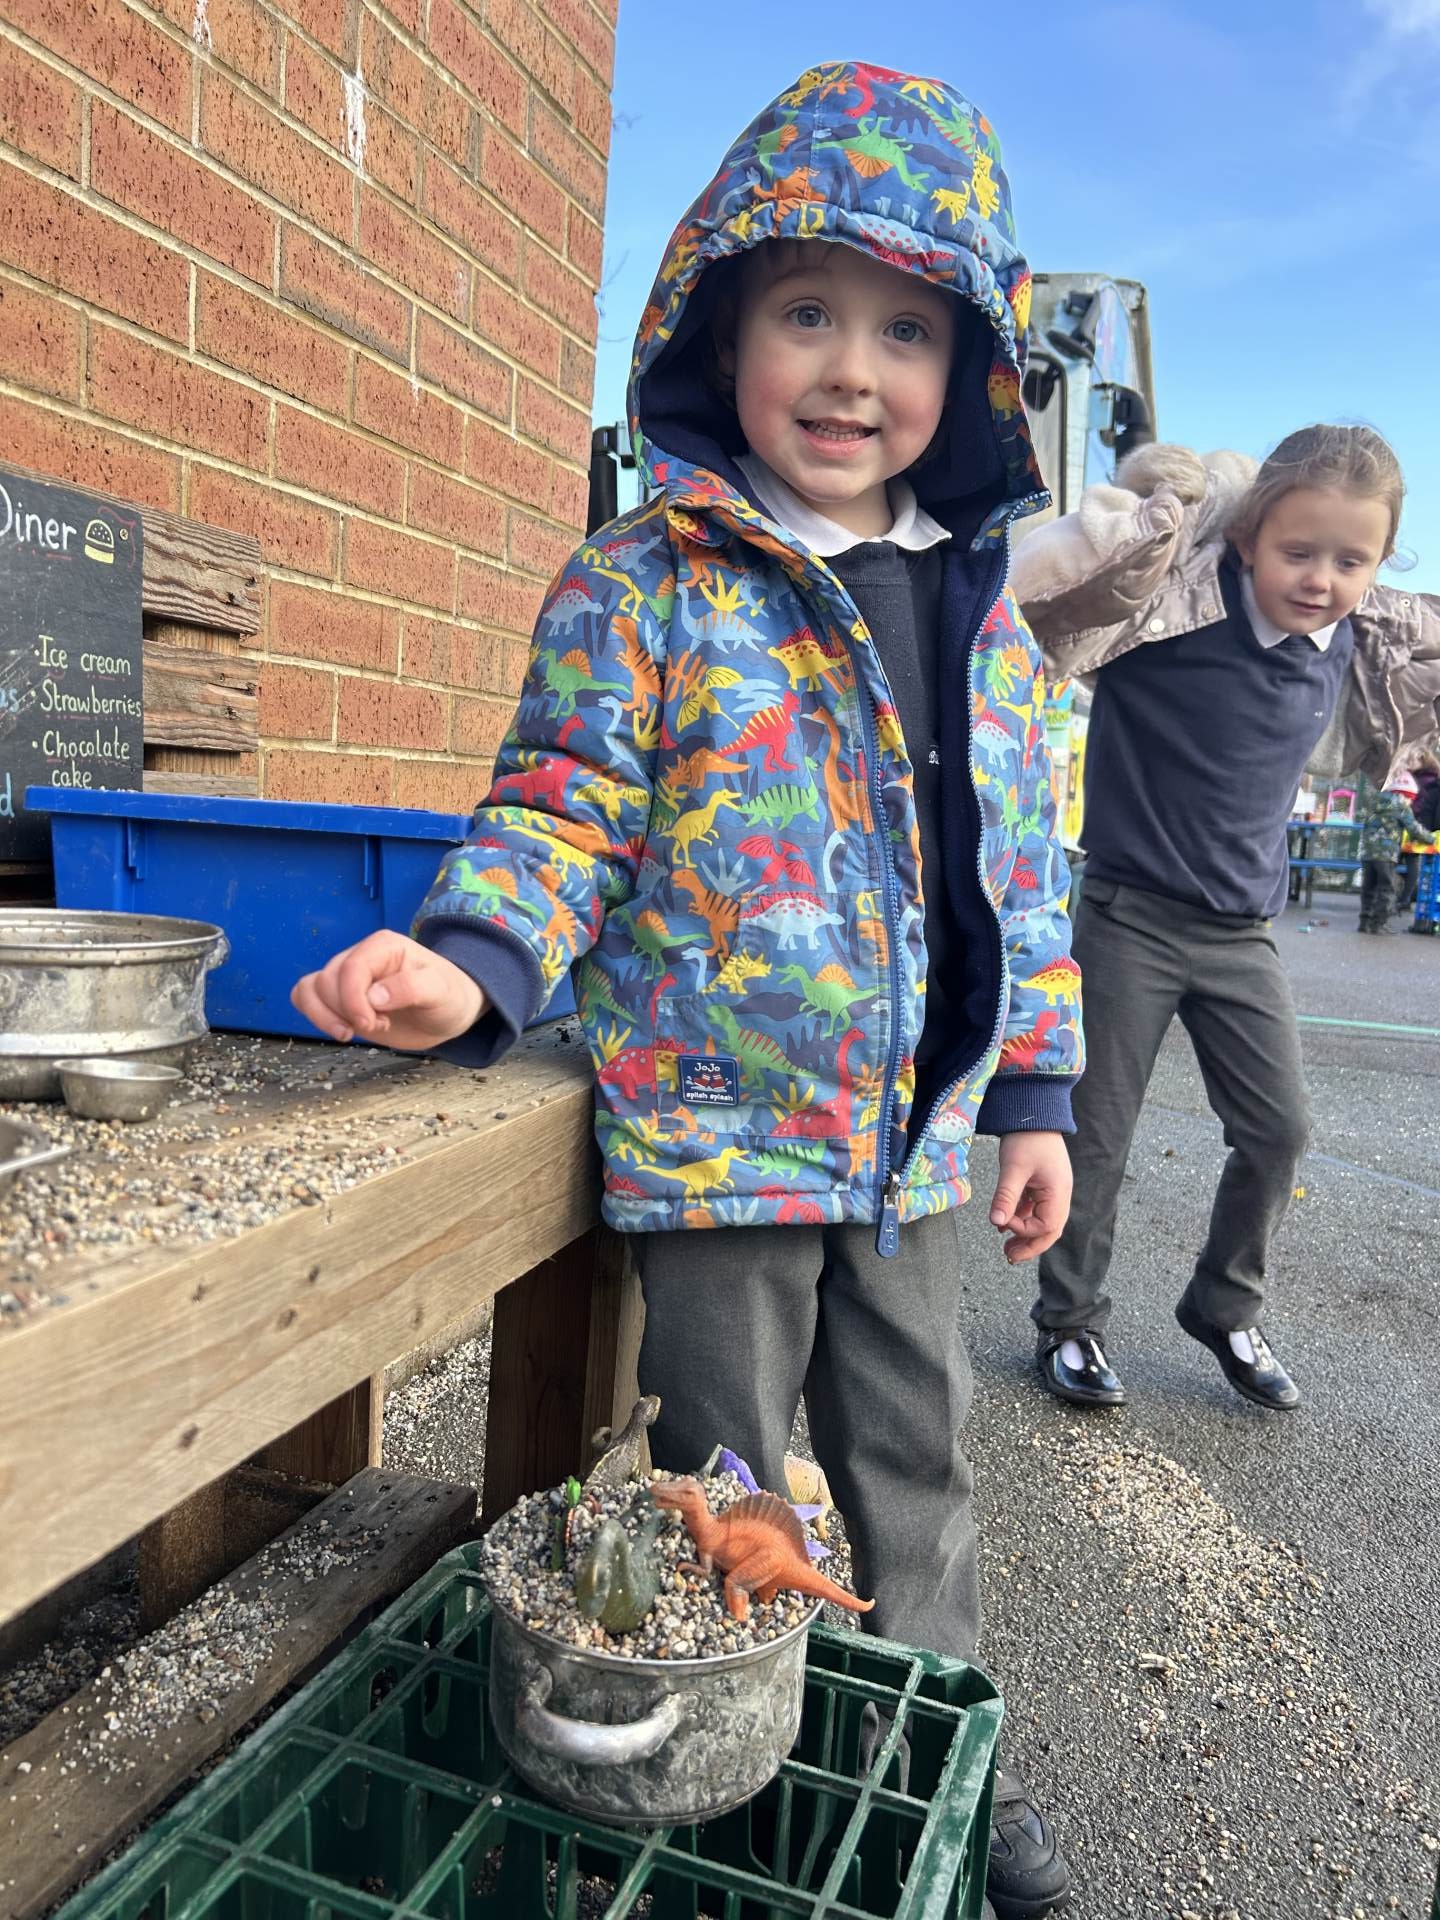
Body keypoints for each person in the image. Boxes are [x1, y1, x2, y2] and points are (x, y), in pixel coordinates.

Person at [292, 64, 1082, 1920]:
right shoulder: (644, 581)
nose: (850, 370)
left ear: (972, 372)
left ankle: (939, 1758)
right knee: (730, 1483)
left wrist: (1038, 1099)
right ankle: (729, 1781)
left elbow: (1025, 882)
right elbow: (562, 805)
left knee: (920, 1471)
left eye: (905, 329)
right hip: (721, 1151)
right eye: (806, 311)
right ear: (719, 329)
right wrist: (475, 961)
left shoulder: (994, 622)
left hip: (909, 1156)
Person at [1010, 428, 1440, 1413]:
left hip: (1242, 935)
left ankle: (1224, 1303)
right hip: (1129, 917)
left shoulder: (1356, 653)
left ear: (1379, 567)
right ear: (1247, 539)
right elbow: (1059, 584)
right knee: (1096, 1136)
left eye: (1351, 561)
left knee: (1279, 1131)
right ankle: (1068, 1324)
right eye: (1299, 552)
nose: (1321, 580)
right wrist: (1162, 509)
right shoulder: (1164, 612)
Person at [1358, 769, 1438, 932]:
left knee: (1368, 888)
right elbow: (1414, 828)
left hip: (1367, 853)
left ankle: (1364, 922)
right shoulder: (1400, 805)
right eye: (1411, 799)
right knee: (1386, 888)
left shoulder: (1375, 802)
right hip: (1386, 854)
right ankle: (1379, 923)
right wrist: (1432, 839)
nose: (1410, 803)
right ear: (1406, 794)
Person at [1398, 753, 1440, 913]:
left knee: (1412, 861)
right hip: (1413, 823)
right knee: (1400, 861)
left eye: (1412, 760)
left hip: (1416, 823)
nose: (1409, 763)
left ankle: (1408, 897)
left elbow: (1423, 805)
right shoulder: (1416, 778)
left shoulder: (1428, 781)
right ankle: (1409, 895)